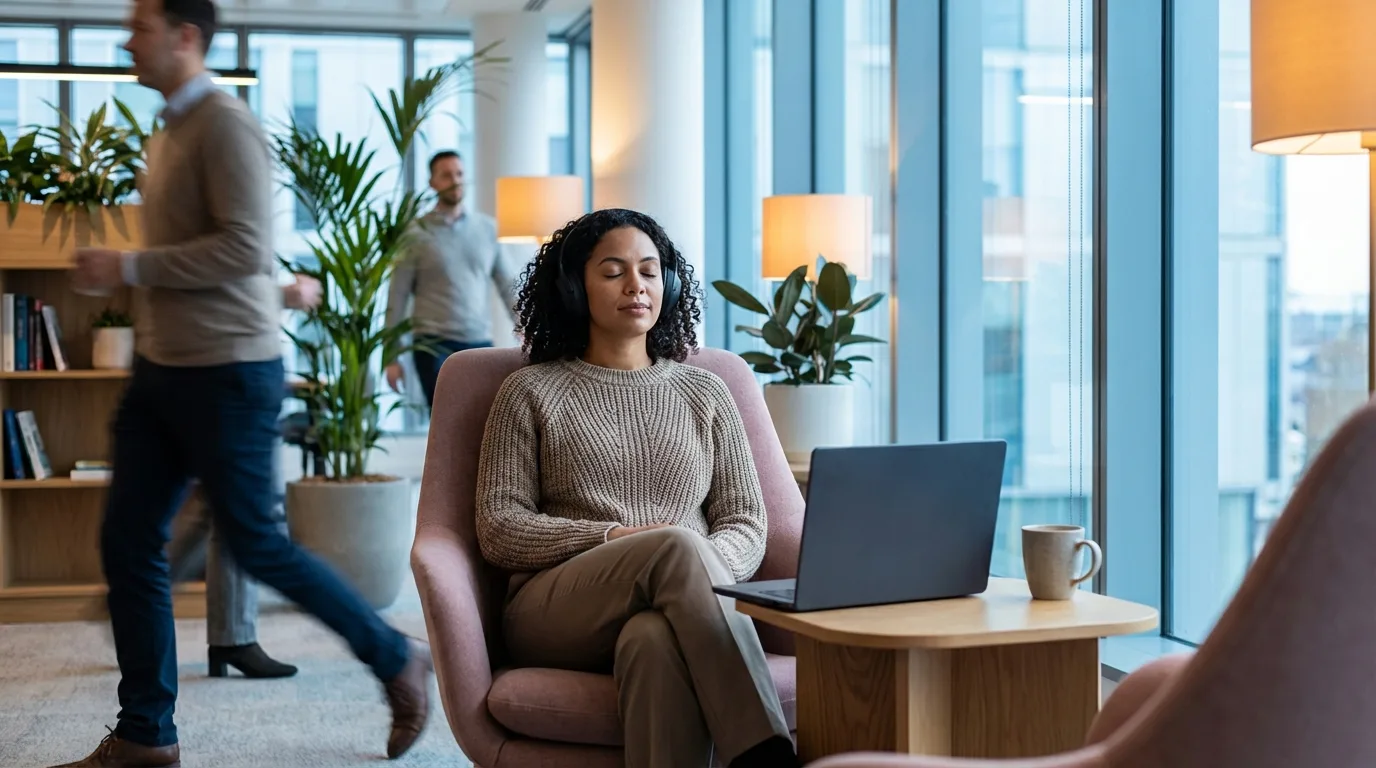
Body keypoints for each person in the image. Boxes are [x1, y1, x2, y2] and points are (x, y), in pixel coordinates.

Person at [51, 2, 431, 766]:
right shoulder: (167, 129)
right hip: (164, 370)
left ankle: (395, 655)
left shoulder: (226, 124)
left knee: (256, 543)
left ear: (184, 36)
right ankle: (145, 735)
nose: (127, 39)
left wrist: (126, 267)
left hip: (230, 372)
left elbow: (245, 247)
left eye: (140, 26)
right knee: (129, 541)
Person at [476, 208, 799, 768]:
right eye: (613, 271)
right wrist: (615, 537)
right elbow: (500, 528)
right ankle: (765, 756)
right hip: (557, 610)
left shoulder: (706, 393)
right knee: (675, 543)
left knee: (652, 638)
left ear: (668, 286)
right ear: (575, 288)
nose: (636, 286)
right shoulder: (529, 391)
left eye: (650, 271)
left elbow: (746, 521)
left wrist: (700, 568)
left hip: (680, 605)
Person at [162, 274, 321, 681]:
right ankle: (226, 636)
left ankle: (146, 607)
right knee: (247, 513)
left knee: (221, 509)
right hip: (231, 372)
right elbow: (213, 281)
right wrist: (283, 295)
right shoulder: (230, 213)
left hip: (237, 368)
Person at [384, 150, 516, 407]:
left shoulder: (487, 229)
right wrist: (391, 357)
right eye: (446, 175)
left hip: (479, 344)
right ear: (432, 182)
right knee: (446, 429)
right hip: (432, 346)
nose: (455, 180)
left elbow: (508, 285)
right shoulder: (414, 233)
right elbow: (396, 296)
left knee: (485, 424)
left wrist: (526, 329)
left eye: (459, 174)